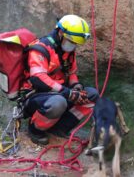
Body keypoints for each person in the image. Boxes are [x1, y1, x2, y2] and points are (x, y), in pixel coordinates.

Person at [23, 14, 99, 145]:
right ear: (60, 32)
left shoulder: (68, 52)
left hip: (60, 93)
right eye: (71, 41)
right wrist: (67, 93)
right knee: (59, 102)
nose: (73, 46)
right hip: (36, 96)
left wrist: (76, 87)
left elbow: (72, 73)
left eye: (75, 43)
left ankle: (59, 129)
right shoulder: (40, 49)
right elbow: (38, 79)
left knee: (91, 95)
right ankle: (35, 129)